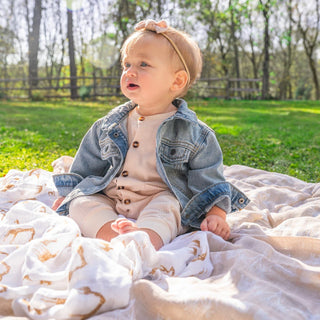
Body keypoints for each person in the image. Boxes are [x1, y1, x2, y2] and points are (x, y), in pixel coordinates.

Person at [52, 19, 249, 250]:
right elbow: (86, 166)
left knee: (170, 209)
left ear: (177, 80)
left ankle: (144, 240)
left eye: (143, 64)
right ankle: (113, 236)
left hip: (157, 198)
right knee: (82, 204)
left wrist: (216, 214)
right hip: (111, 196)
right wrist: (69, 195)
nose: (130, 72)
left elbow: (209, 179)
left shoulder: (195, 134)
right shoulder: (109, 125)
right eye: (126, 65)